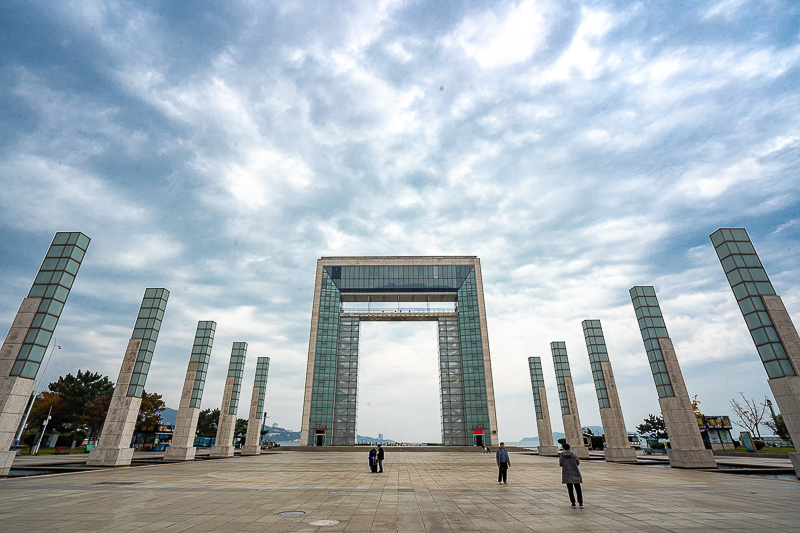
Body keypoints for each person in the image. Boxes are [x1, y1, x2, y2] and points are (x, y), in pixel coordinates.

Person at [559, 443, 584, 509]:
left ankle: (573, 503)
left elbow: (560, 464)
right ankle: (581, 503)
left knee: (570, 490)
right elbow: (578, 462)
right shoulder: (573, 455)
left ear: (564, 448)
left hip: (567, 473)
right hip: (575, 472)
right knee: (578, 489)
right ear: (569, 448)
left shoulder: (562, 456)